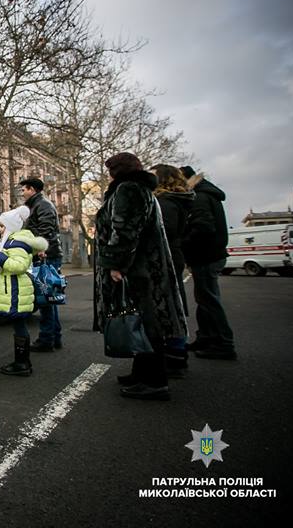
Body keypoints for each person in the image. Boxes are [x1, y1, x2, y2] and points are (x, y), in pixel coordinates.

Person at [93, 152, 187, 400]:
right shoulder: (139, 189)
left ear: (118, 170)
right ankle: (142, 373)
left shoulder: (129, 189)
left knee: (145, 321)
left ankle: (155, 381)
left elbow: (125, 230)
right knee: (141, 319)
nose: (108, 174)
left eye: (110, 169)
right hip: (145, 265)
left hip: (139, 268)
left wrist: (117, 264)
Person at [181, 166, 236, 360]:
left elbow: (203, 227)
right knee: (204, 300)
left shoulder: (200, 197)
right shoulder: (205, 193)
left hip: (206, 256)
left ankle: (223, 343)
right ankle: (206, 337)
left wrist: (183, 244)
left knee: (209, 300)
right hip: (210, 255)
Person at [0, 206, 46, 374]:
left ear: (11, 226)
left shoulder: (15, 242)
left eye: (2, 226)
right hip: (17, 288)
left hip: (16, 289)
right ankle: (22, 362)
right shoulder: (18, 240)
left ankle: (22, 364)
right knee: (19, 325)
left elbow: (19, 266)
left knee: (19, 325)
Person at [152, 164, 195, 375]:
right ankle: (176, 350)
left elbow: (163, 232)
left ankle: (175, 354)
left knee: (169, 304)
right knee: (173, 302)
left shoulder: (166, 202)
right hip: (172, 255)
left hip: (165, 258)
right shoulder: (177, 199)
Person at [19, 177, 64, 352]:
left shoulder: (42, 205)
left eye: (24, 189)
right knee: (49, 298)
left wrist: (40, 247)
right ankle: (54, 337)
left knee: (45, 299)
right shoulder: (36, 205)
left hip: (47, 255)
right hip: (46, 254)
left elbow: (46, 229)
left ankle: (46, 340)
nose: (22, 192)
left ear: (32, 190)